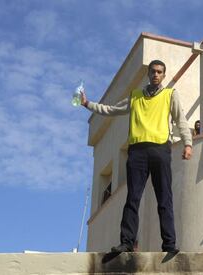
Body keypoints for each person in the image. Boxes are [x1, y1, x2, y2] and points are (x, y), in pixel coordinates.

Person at [81, 60, 192, 254]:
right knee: (132, 198)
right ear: (148, 74)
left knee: (164, 198)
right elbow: (111, 110)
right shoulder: (135, 96)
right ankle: (126, 242)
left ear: (164, 75)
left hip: (160, 150)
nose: (156, 74)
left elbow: (180, 120)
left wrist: (188, 143)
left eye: (159, 72)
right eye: (153, 71)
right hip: (137, 152)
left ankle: (169, 245)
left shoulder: (170, 95)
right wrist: (87, 104)